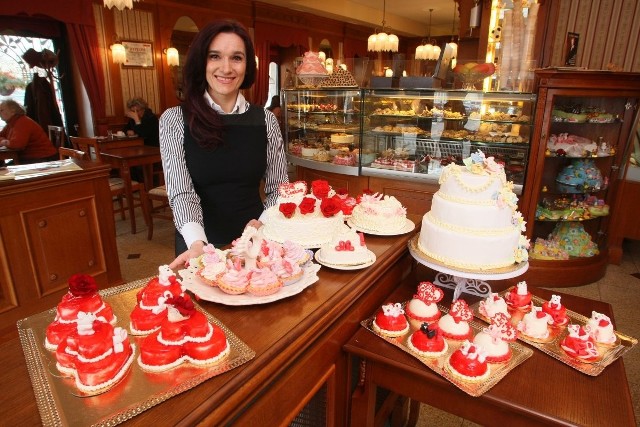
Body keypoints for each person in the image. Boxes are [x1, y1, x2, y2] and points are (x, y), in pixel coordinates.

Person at [159, 20, 289, 269]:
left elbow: (279, 189)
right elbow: (181, 193)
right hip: (199, 244)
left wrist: (262, 224)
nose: (226, 68)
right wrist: (198, 244)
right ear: (202, 62)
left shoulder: (266, 120)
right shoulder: (174, 120)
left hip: (257, 241)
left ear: (247, 65)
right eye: (215, 56)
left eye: (237, 58)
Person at [0, 99, 57, 164]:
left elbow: (17, 145)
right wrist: (4, 141)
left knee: (5, 171)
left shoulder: (22, 122)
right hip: (29, 158)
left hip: (42, 159)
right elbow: (1, 136)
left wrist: (4, 142)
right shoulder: (11, 123)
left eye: (1, 110)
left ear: (13, 111)